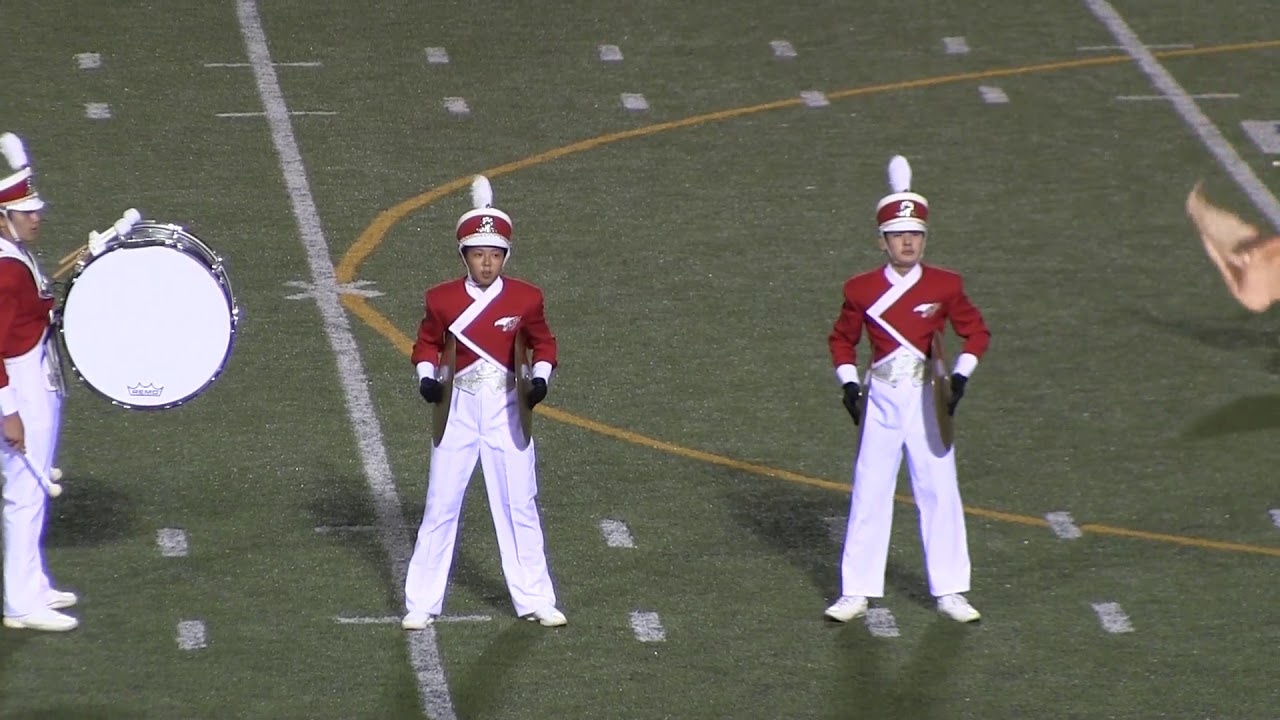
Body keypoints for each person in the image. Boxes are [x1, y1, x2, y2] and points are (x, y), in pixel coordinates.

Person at [824, 155, 991, 624]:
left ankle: (951, 590)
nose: (908, 242)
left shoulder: (945, 284)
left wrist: (960, 376)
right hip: (880, 396)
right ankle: (855, 590)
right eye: (899, 235)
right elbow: (842, 339)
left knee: (939, 489)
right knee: (870, 490)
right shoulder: (859, 289)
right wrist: (850, 385)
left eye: (915, 235)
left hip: (927, 397)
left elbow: (976, 332)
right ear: (883, 241)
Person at [402, 175, 566, 629]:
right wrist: (427, 380)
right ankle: (422, 601)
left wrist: (540, 379)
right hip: (457, 408)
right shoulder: (441, 298)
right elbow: (426, 345)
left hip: (507, 408)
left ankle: (535, 597)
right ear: (465, 257)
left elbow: (544, 344)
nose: (487, 264)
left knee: (520, 503)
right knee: (440, 502)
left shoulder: (526, 297)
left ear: (505, 257)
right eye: (479, 255)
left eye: (495, 255)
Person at [0, 132, 77, 632]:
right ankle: (19, 602)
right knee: (25, 493)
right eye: (26, 212)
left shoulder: (14, 254)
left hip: (33, 374)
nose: (37, 217)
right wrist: (8, 412)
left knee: (30, 489)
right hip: (19, 385)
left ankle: (33, 582)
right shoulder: (4, 269)